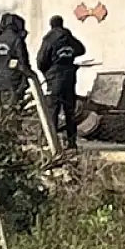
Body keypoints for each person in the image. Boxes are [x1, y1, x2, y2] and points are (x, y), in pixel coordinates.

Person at [36, 15, 86, 151]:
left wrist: (48, 73)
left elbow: (40, 60)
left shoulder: (49, 39)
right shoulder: (69, 38)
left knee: (52, 110)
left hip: (54, 79)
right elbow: (81, 49)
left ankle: (50, 142)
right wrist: (68, 58)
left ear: (51, 25)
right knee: (70, 111)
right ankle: (71, 143)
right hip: (70, 78)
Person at [0, 14, 31, 108]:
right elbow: (23, 62)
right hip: (10, 82)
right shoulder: (15, 39)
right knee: (11, 111)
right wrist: (28, 75)